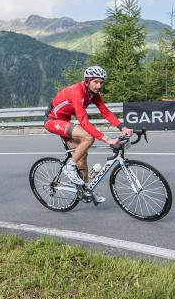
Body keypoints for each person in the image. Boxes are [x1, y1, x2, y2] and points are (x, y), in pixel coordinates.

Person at [44, 65, 134, 202]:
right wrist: (107, 139)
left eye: (101, 82)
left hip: (66, 120)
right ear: (87, 81)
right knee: (88, 137)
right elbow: (84, 122)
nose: (99, 86)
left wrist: (122, 127)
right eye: (96, 82)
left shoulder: (93, 94)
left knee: (83, 156)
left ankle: (86, 191)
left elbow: (106, 112)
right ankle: (69, 168)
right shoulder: (77, 92)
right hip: (53, 120)